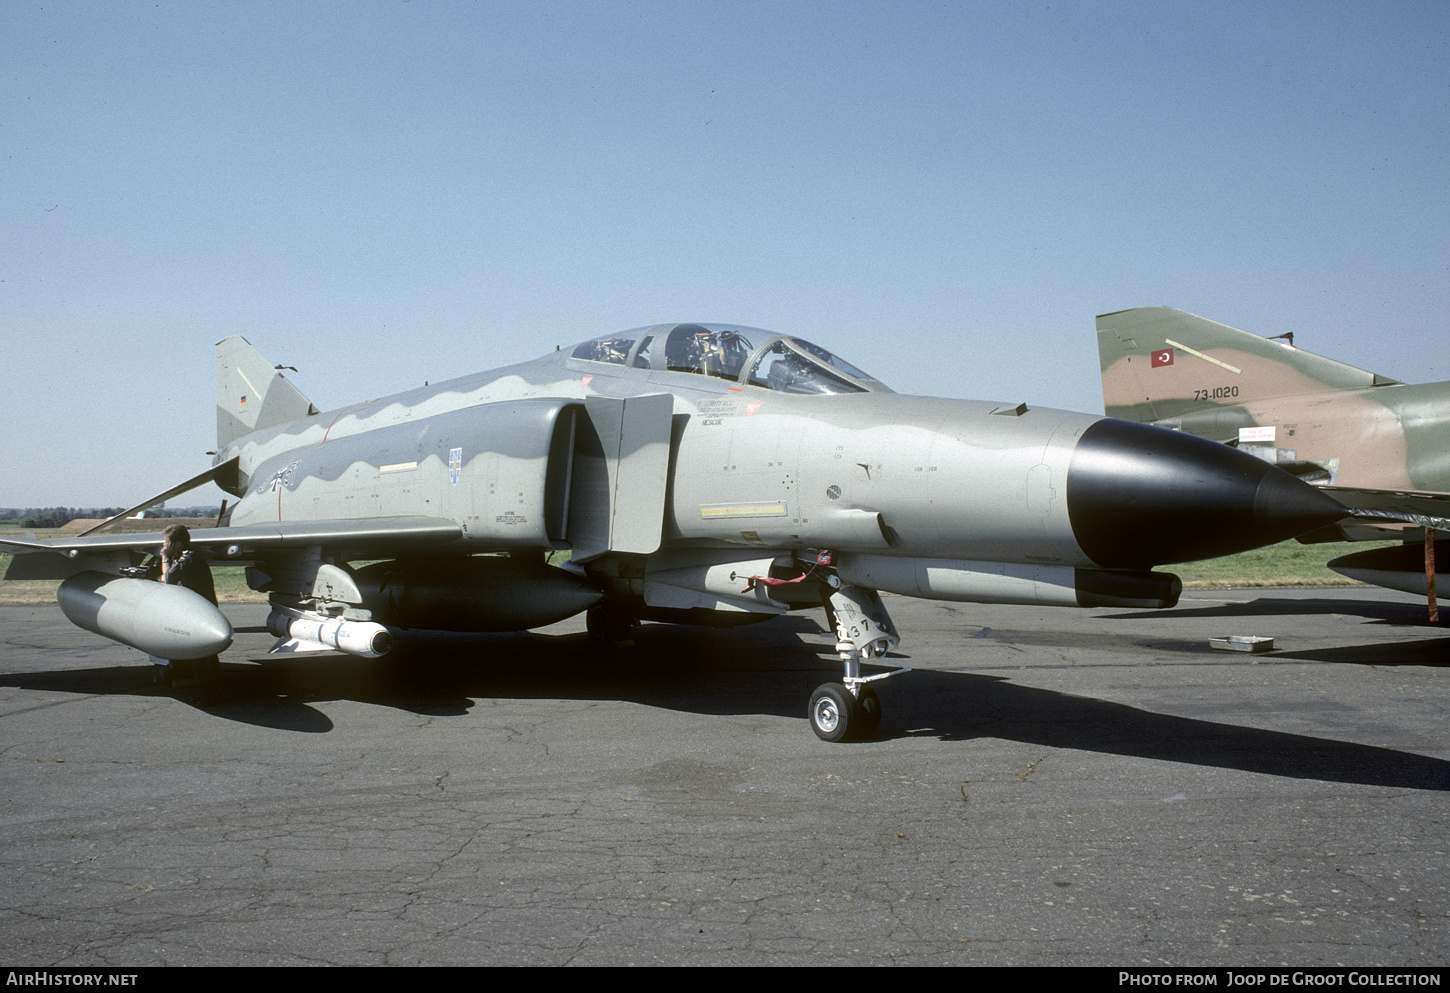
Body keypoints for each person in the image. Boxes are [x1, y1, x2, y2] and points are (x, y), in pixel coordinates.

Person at [157, 524, 221, 706]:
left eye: (166, 542)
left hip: (200, 613)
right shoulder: (187, 557)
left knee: (202, 655)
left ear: (176, 544)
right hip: (201, 610)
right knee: (205, 656)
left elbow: (169, 579)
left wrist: (164, 559)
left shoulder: (188, 558)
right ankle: (210, 691)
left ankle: (209, 694)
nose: (164, 546)